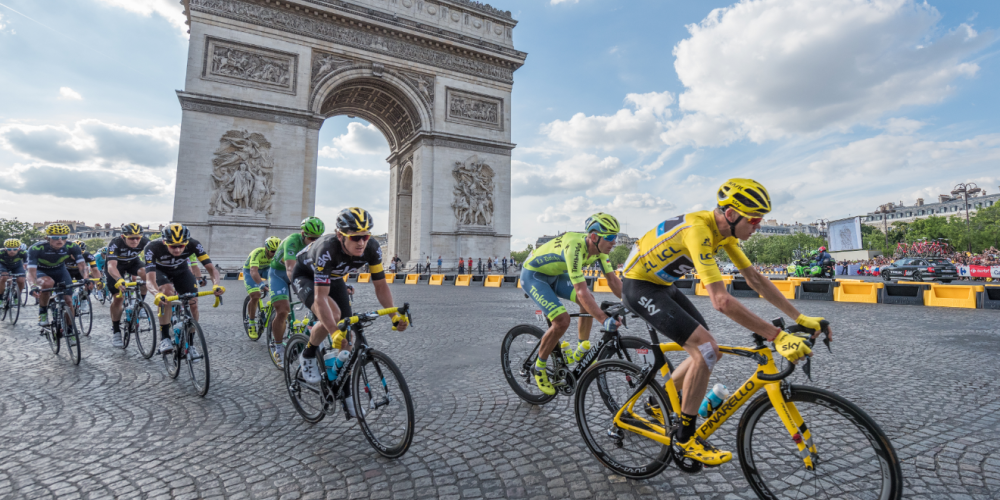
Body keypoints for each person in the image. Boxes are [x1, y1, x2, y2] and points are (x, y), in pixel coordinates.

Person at [621, 178, 825, 466]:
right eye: (754, 220)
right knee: (705, 349)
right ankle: (685, 439)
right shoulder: (698, 230)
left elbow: (755, 279)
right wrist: (776, 335)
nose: (757, 226)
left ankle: (658, 402)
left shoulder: (725, 233)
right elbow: (721, 301)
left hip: (663, 285)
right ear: (730, 214)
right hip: (638, 286)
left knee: (710, 351)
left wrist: (800, 318)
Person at [291, 208, 408, 385]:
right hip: (306, 276)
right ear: (340, 235)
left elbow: (381, 286)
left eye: (365, 236)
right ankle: (308, 354)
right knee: (334, 316)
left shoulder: (372, 248)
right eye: (355, 238)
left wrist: (394, 316)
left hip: (334, 277)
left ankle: (343, 389)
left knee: (347, 336)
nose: (361, 243)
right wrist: (333, 332)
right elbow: (320, 298)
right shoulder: (327, 249)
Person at [521, 213, 623, 396]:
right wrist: (603, 319)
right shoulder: (574, 247)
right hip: (534, 275)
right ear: (594, 237)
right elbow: (580, 291)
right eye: (609, 237)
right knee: (562, 320)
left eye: (615, 236)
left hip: (555, 275)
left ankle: (582, 348)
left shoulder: (600, 252)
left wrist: (634, 302)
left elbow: (613, 281)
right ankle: (539, 367)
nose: (614, 242)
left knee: (589, 301)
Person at [145, 224, 225, 354]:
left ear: (186, 242)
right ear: (164, 242)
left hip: (181, 271)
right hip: (160, 271)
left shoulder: (193, 244)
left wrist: (216, 284)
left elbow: (211, 268)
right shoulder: (152, 247)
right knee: (167, 292)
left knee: (193, 303)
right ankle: (165, 338)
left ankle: (190, 344)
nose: (177, 250)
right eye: (173, 246)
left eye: (181, 246)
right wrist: (156, 294)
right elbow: (149, 280)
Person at [268, 216, 324, 364]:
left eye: (317, 239)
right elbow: (290, 269)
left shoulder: (318, 245)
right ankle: (278, 348)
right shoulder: (292, 241)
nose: (314, 242)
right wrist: (300, 290)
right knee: (283, 310)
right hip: (279, 274)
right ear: (303, 234)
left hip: (301, 273)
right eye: (311, 238)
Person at [27, 224, 89, 331]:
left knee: (68, 301)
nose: (60, 240)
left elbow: (82, 265)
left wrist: (86, 278)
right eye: (55, 237)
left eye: (64, 237)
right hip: (41, 271)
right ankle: (43, 312)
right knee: (48, 283)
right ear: (47, 238)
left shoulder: (72, 246)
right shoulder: (36, 248)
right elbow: (31, 271)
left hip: (60, 271)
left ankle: (70, 329)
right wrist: (33, 286)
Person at [106, 223, 151, 348]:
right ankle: (116, 331)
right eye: (131, 238)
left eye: (138, 238)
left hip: (133, 262)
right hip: (116, 266)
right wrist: (119, 279)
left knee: (147, 276)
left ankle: (140, 304)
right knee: (118, 298)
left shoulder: (145, 241)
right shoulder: (115, 243)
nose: (135, 241)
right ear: (123, 236)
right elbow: (111, 266)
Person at [243, 236, 282, 340]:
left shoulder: (278, 254)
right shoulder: (257, 252)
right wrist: (261, 284)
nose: (274, 254)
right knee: (256, 295)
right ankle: (251, 323)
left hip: (266, 269)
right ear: (266, 248)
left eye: (276, 251)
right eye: (272, 251)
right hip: (250, 271)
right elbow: (253, 271)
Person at [0, 239, 28, 307]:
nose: (12, 251)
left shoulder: (23, 252)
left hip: (17, 265)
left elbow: (27, 263)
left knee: (21, 280)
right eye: (9, 249)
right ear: (5, 249)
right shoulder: (1, 252)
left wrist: (26, 267)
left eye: (15, 249)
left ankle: (17, 296)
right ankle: (0, 297)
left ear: (19, 249)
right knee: (4, 277)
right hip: (3, 265)